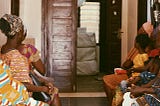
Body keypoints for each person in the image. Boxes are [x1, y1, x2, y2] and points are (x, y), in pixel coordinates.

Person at [0, 14, 61, 106]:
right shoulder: (16, 57)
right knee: (53, 94)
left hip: (5, 95)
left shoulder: (2, 51)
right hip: (19, 98)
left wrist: (42, 82)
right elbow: (22, 85)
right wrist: (44, 89)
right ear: (20, 32)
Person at [103, 22, 154, 106]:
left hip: (137, 77)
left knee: (122, 85)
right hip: (133, 75)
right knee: (121, 84)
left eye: (141, 29)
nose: (139, 30)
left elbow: (145, 68)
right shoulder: (139, 54)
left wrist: (133, 70)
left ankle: (123, 98)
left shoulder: (144, 55)